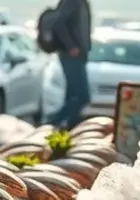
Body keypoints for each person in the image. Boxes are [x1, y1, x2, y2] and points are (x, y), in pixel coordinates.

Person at [48, 0, 92, 128]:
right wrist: (71, 46)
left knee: (73, 96)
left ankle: (67, 128)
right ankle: (53, 123)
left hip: (78, 55)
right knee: (82, 96)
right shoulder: (73, 1)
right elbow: (59, 23)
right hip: (71, 55)